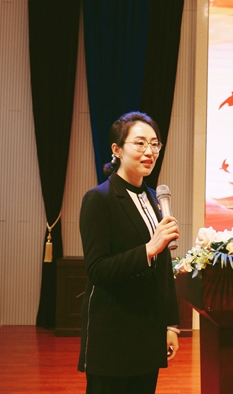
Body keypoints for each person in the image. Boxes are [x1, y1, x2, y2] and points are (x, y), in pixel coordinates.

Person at [78, 111, 181, 394]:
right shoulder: (99, 198)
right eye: (140, 143)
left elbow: (163, 266)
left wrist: (171, 325)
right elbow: (97, 270)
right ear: (117, 149)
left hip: (147, 332)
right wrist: (148, 249)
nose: (150, 151)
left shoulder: (153, 198)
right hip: (113, 334)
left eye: (155, 144)